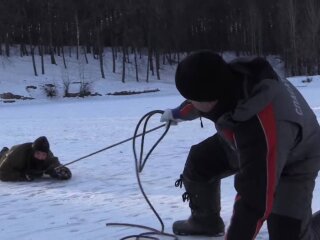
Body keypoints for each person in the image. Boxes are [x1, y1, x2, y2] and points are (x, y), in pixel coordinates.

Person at [160, 50, 320, 239]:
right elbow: (198, 100)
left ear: (208, 99)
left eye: (193, 98)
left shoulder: (260, 129)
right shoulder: (230, 77)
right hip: (245, 139)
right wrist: (177, 114)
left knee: (286, 233)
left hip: (297, 158)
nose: (191, 102)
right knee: (200, 160)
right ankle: (205, 221)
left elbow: (253, 200)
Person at [0, 136, 72, 181]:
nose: (40, 157)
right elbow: (2, 173)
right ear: (33, 152)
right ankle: (4, 151)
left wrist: (61, 172)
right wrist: (23, 176)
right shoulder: (17, 155)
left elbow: (57, 166)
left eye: (43, 154)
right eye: (38, 153)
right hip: (10, 153)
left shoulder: (48, 156)